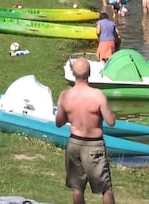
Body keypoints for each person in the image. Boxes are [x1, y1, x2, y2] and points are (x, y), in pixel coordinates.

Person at [56, 58, 117, 204]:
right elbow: (111, 122)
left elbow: (59, 122)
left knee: (77, 188)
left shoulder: (65, 95)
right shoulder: (97, 95)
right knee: (105, 188)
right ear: (89, 74)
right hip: (94, 145)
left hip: (74, 142)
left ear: (72, 73)